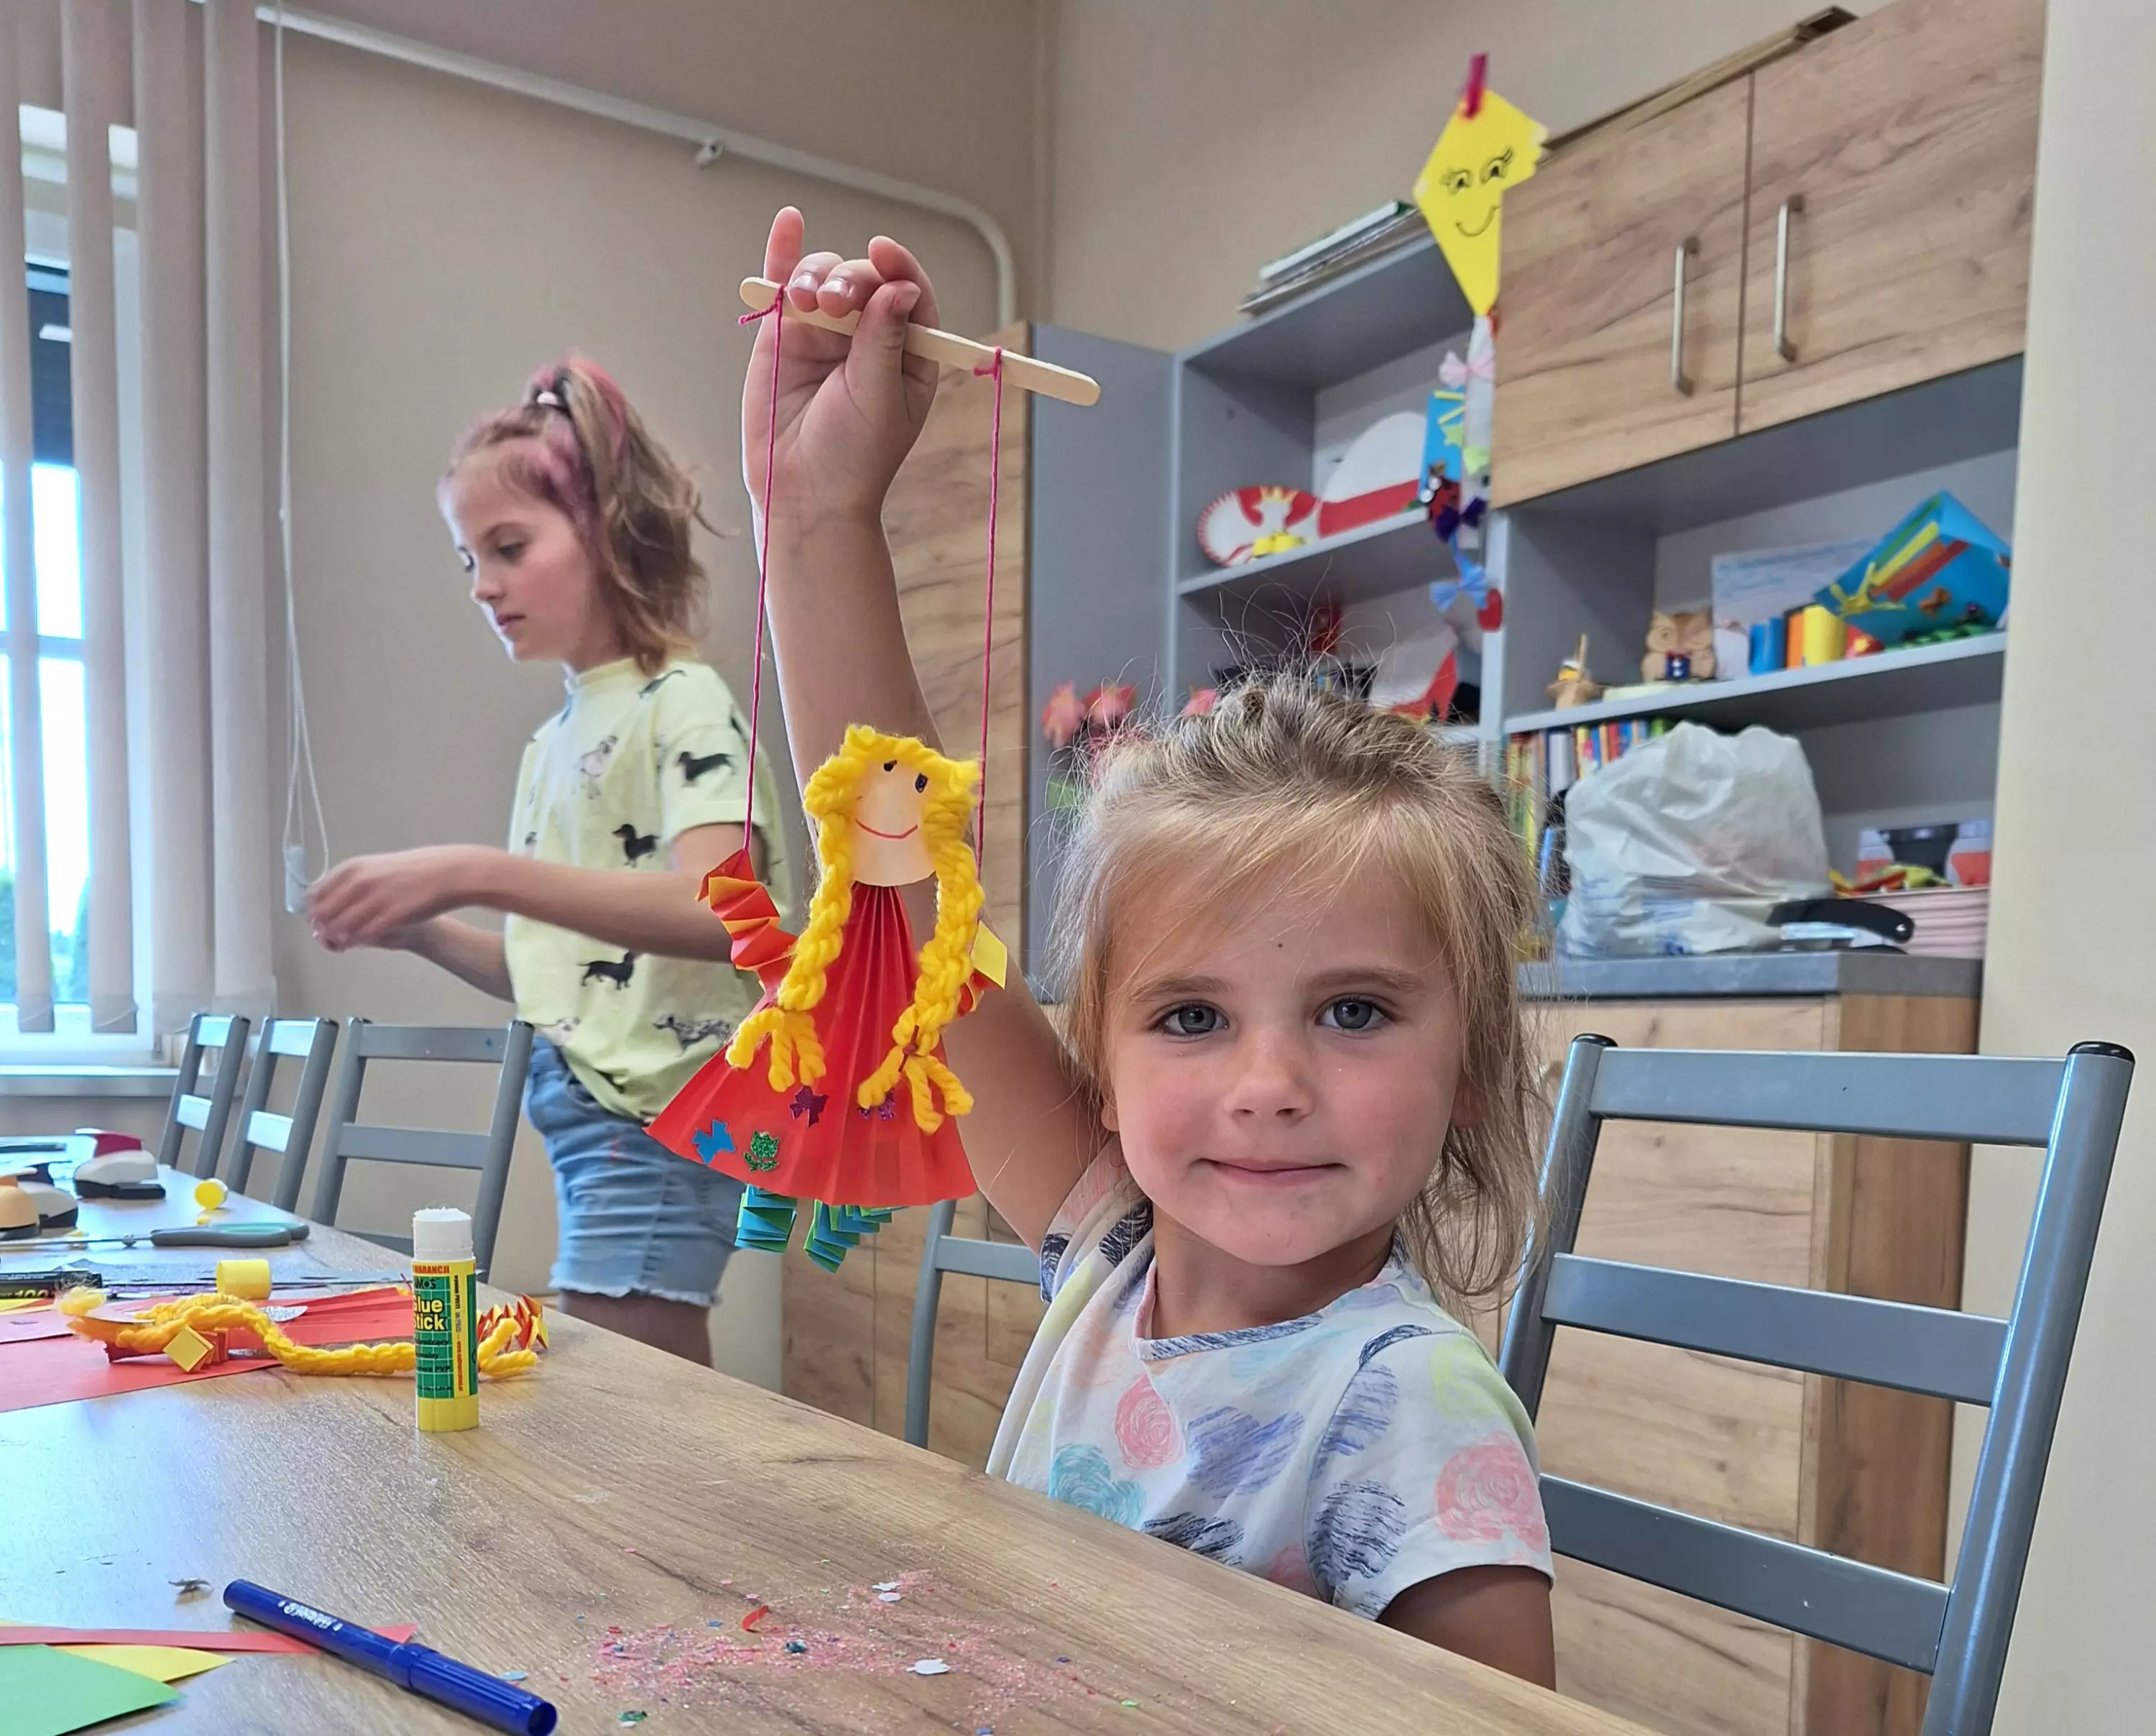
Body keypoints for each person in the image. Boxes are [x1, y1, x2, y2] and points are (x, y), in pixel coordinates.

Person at [736, 208, 1555, 1684]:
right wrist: (816, 516)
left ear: (1475, 1067)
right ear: (1100, 1063)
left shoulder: (1415, 1416)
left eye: (1354, 1010)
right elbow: (897, 878)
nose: (1267, 1084)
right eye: (1190, 1017)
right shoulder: (1110, 1244)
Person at [309, 357, 791, 1367]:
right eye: (468, 559)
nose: (482, 586)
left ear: (610, 529)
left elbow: (727, 914)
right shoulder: (555, 741)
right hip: (593, 1113)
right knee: (623, 1395)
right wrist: (429, 933)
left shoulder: (681, 703)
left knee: (628, 1401)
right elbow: (564, 975)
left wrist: (474, 870)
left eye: (509, 547)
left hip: (664, 1114)